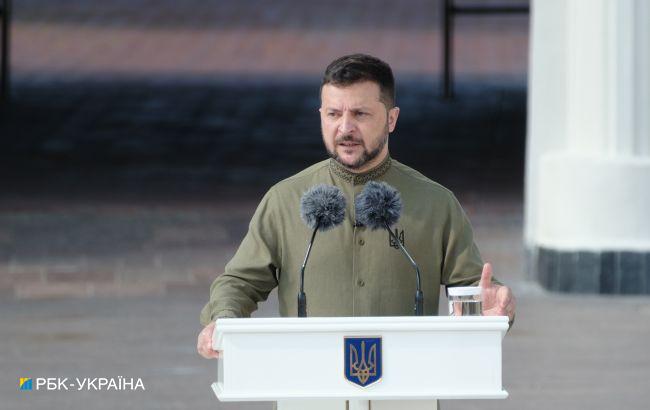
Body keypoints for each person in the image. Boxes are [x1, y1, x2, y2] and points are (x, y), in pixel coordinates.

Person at [197, 54, 516, 359]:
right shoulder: (284, 200)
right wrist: (222, 320)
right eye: (334, 114)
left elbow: (475, 289)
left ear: (391, 119)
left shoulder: (436, 204)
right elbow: (239, 282)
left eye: (360, 114)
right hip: (307, 382)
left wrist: (494, 308)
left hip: (409, 384)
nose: (345, 128)